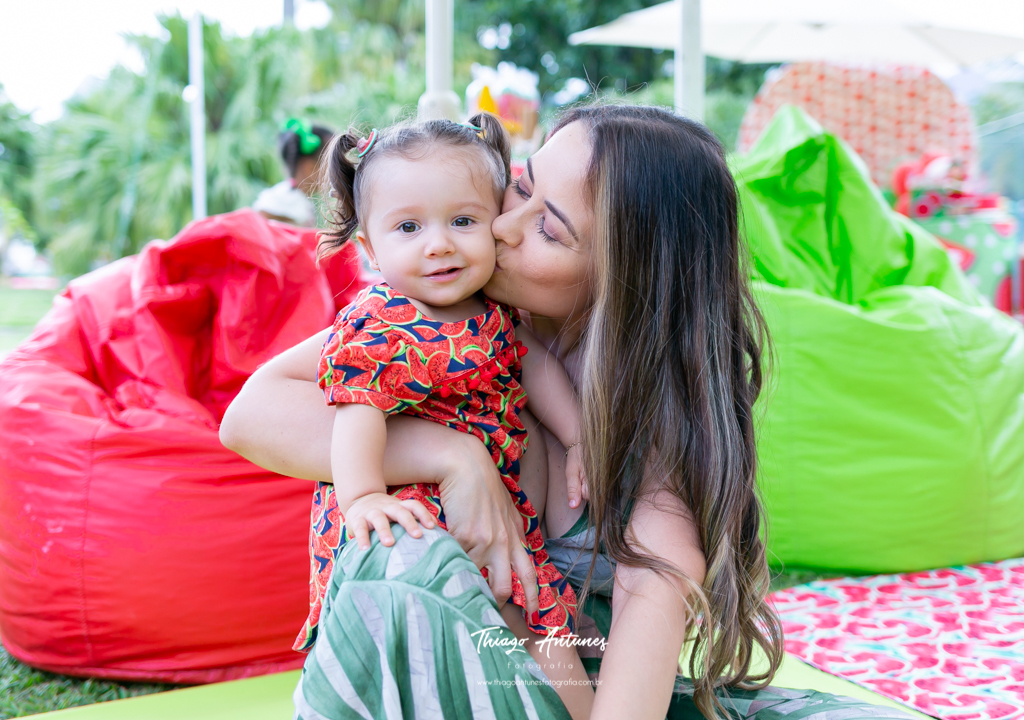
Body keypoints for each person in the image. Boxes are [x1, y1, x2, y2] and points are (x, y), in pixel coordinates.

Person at [220, 104, 915, 720]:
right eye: (521, 187)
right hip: (421, 657)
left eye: (548, 229)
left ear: (627, 275)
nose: (501, 225)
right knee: (405, 564)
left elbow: (631, 666)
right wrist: (453, 455)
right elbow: (252, 414)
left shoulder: (646, 430)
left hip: (560, 685)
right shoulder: (437, 316)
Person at [300, 111, 592, 717]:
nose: (439, 244)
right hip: (416, 515)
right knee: (446, 659)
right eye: (409, 227)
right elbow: (357, 414)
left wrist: (577, 438)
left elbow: (536, 369)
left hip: (504, 519)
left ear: (496, 224)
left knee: (546, 637)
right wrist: (362, 497)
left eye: (463, 221)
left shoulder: (493, 311)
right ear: (369, 248)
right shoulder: (378, 321)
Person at [253, 118, 334, 226]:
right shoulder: (281, 204)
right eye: (333, 167)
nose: (336, 174)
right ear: (310, 168)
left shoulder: (297, 201)